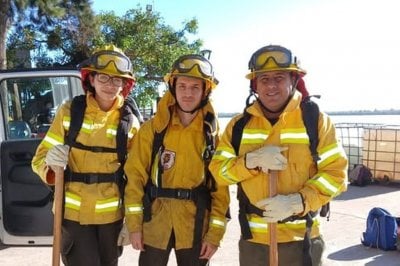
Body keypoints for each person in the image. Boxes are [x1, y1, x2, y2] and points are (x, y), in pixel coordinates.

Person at [209, 44, 348, 266]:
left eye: (279, 77)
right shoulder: (238, 126)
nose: (271, 85)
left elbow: (336, 176)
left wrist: (297, 202)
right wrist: (250, 162)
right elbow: (218, 172)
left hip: (302, 241)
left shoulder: (316, 121)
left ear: (293, 80)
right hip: (254, 243)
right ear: (255, 85)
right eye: (264, 79)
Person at [31, 44, 140, 266]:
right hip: (73, 216)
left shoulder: (130, 122)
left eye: (117, 79)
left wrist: (133, 219)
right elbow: (39, 159)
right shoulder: (69, 112)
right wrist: (51, 165)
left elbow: (136, 176)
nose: (110, 85)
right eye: (104, 78)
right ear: (91, 79)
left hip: (111, 219)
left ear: (125, 85)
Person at [123, 54, 230, 266]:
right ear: (173, 87)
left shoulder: (213, 136)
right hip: (155, 222)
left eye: (195, 87)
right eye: (182, 86)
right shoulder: (152, 130)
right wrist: (134, 226)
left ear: (205, 91)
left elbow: (220, 189)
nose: (187, 93)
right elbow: (134, 177)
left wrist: (214, 236)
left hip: (195, 225)